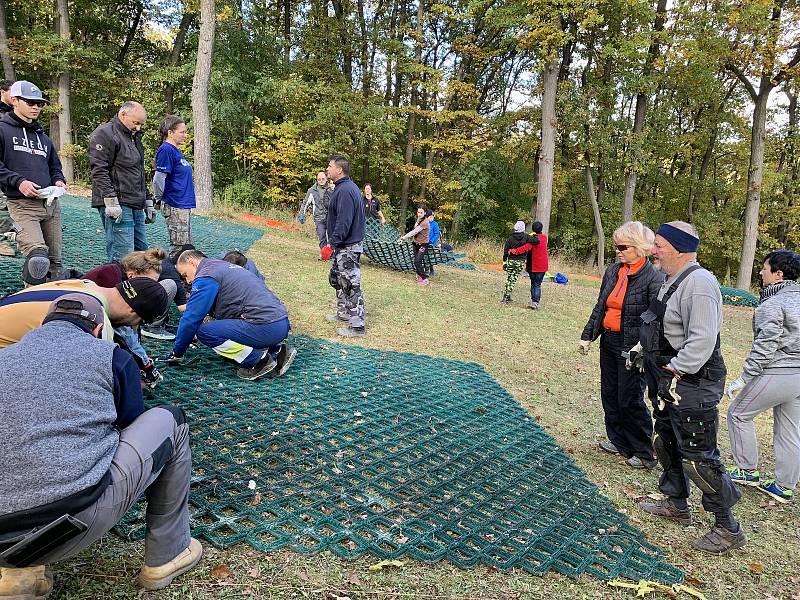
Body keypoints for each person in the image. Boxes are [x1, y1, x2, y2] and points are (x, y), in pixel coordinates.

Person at [0, 294, 202, 597]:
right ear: (96, 329)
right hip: (67, 521)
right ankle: (168, 554)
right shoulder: (113, 356)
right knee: (171, 420)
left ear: (43, 324)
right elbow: (130, 424)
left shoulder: (5, 355)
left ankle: (16, 576)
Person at [636, 221, 745, 554]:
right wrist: (641, 350)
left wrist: (676, 371)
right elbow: (658, 321)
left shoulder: (699, 283)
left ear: (679, 249)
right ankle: (676, 503)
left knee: (699, 456)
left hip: (694, 381)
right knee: (665, 440)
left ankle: (728, 529)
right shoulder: (670, 280)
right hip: (669, 376)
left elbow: (701, 341)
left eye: (658, 244)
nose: (652, 250)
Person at [578, 222, 664, 469]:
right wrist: (588, 335)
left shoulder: (653, 277)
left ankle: (645, 451)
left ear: (640, 248)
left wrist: (642, 347)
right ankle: (618, 440)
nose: (617, 250)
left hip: (634, 345)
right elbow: (601, 305)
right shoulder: (614, 271)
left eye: (623, 246)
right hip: (610, 339)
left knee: (630, 397)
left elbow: (655, 318)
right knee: (610, 393)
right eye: (616, 246)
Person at [0, 276, 169, 389]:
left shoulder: (86, 284)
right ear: (134, 312)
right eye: (140, 322)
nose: (133, 327)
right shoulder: (98, 321)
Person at [725, 249, 800, 503]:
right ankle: (784, 486)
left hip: (779, 371)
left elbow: (766, 345)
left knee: (738, 413)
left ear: (778, 275)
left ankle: (747, 470)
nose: (760, 272)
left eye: (765, 268)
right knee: (789, 430)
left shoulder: (773, 303)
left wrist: (744, 377)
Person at [162, 250, 297, 381]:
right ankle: (277, 352)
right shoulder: (223, 266)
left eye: (185, 275)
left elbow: (191, 318)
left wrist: (177, 352)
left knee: (204, 332)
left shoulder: (206, 276)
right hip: (281, 323)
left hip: (265, 326)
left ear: (192, 263)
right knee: (225, 329)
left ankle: (258, 360)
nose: (188, 281)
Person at [0, 81, 67, 286]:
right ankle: (30, 303)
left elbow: (54, 165)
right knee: (38, 257)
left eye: (40, 103)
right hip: (22, 205)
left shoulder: (43, 137)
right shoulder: (2, 129)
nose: (36, 107)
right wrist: (18, 182)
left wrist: (59, 180)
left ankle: (51, 304)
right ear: (14, 100)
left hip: (50, 205)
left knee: (55, 263)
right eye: (30, 102)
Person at [89, 101, 155, 263]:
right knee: (123, 253)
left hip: (135, 202)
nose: (139, 127)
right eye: (136, 123)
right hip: (118, 201)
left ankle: (139, 285)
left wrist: (147, 199)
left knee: (142, 253)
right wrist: (111, 201)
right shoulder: (105, 134)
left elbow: (138, 171)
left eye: (141, 124)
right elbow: (99, 170)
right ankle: (120, 285)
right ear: (123, 115)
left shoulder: (134, 138)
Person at [325, 155, 366, 337]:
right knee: (337, 279)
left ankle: (357, 325)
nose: (327, 169)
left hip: (347, 246)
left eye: (330, 166)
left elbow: (344, 220)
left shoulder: (346, 191)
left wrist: (332, 243)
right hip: (342, 246)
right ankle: (343, 313)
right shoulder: (342, 188)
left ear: (339, 170)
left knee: (350, 283)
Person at [153, 115, 195, 253]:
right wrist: (158, 199)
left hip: (183, 205)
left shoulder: (176, 151)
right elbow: (159, 178)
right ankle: (172, 273)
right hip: (175, 204)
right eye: (182, 132)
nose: (185, 135)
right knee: (179, 247)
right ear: (170, 133)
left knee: (186, 246)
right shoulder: (166, 150)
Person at [507, 220, 548, 309]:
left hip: (533, 266)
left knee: (534, 284)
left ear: (533, 229)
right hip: (543, 266)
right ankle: (535, 301)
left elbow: (525, 248)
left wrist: (514, 251)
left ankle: (535, 302)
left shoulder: (532, 240)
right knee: (537, 284)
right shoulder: (544, 238)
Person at [298, 171, 330, 258]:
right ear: (316, 180)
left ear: (326, 179)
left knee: (331, 238)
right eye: (319, 179)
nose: (321, 180)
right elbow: (305, 203)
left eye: (323, 179)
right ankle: (324, 255)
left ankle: (331, 254)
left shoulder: (331, 189)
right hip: (319, 218)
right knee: (322, 236)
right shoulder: (312, 190)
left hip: (331, 217)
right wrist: (302, 214)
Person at [398, 205, 432, 286]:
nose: (419, 214)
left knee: (417, 261)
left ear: (425, 213)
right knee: (416, 261)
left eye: (421, 212)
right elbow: (415, 228)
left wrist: (404, 237)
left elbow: (415, 231)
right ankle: (419, 275)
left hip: (423, 244)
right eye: (418, 212)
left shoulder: (425, 222)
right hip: (416, 243)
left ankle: (424, 279)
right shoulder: (419, 219)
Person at [500, 221, 530, 304]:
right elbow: (535, 241)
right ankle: (505, 298)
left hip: (510, 261)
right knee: (513, 280)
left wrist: (504, 262)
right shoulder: (526, 237)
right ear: (523, 229)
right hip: (520, 262)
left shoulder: (510, 238)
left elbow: (505, 252)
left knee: (509, 278)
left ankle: (507, 296)